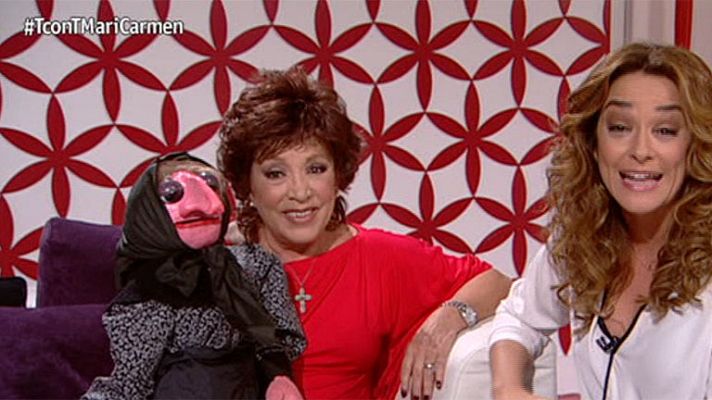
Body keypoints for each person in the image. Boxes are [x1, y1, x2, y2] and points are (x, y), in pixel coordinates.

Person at [216, 68, 512, 400]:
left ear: (338, 175)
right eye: (276, 173)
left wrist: (450, 317)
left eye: (316, 169)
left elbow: (497, 282)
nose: (300, 191)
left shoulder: (377, 257)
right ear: (247, 184)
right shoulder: (212, 265)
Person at [489, 42, 712, 399]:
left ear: (697, 146)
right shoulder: (583, 237)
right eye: (620, 127)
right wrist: (509, 388)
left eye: (666, 130)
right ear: (593, 143)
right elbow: (519, 318)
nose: (640, 150)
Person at [82, 152, 305, 399]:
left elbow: (275, 339)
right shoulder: (149, 288)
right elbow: (130, 382)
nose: (200, 204)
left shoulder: (256, 264)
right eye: (172, 193)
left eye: (210, 184)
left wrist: (278, 376)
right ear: (151, 212)